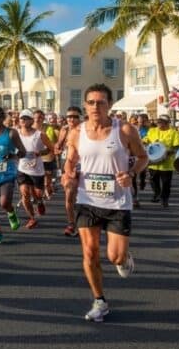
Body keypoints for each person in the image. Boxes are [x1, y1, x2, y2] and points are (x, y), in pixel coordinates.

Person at [62, 83, 148, 322]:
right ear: (85, 105)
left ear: (109, 105)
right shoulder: (76, 132)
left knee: (115, 257)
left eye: (101, 102)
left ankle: (124, 258)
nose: (95, 107)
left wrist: (131, 173)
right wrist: (68, 175)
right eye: (91, 102)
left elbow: (143, 157)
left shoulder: (125, 130)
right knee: (90, 253)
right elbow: (70, 160)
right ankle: (99, 301)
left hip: (117, 203)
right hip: (87, 200)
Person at [0, 106, 26, 246]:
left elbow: (23, 151)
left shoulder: (11, 133)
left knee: (4, 203)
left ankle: (11, 212)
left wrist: (12, 155)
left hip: (7, 175)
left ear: (4, 118)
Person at [16, 109, 53, 229]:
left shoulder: (40, 134)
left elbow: (50, 148)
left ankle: (40, 201)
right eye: (22, 118)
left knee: (37, 194)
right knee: (25, 194)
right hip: (22, 169)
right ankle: (32, 218)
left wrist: (40, 153)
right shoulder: (16, 134)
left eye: (26, 118)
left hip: (37, 170)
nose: (24, 120)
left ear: (32, 120)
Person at [55, 105, 82, 236]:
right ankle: (71, 223)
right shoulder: (64, 130)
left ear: (80, 117)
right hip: (68, 167)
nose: (71, 119)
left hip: (84, 167)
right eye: (69, 116)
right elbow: (58, 146)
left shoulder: (85, 131)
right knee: (70, 194)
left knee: (81, 198)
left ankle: (84, 222)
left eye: (75, 116)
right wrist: (58, 148)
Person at [144, 115, 179, 208]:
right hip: (153, 162)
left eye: (161, 122)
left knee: (166, 183)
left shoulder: (174, 133)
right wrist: (144, 143)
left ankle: (164, 199)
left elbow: (177, 146)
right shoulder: (152, 131)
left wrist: (167, 153)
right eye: (158, 122)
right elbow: (146, 140)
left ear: (167, 123)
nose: (159, 124)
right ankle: (157, 193)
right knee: (153, 180)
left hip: (166, 163)